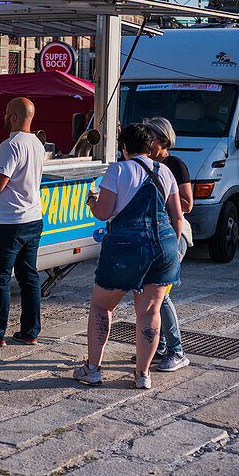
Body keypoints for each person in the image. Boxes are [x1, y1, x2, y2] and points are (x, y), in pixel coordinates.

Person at [75, 124, 183, 389]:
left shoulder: (117, 170)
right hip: (164, 247)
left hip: (125, 247)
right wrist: (176, 251)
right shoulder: (165, 171)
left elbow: (103, 212)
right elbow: (177, 216)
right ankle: (143, 374)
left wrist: (92, 201)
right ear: (149, 147)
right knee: (149, 311)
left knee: (102, 307)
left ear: (124, 147)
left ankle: (93, 370)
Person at [0, 97, 45, 347]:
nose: (3, 117)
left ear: (13, 117)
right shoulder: (36, 143)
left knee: (0, 279)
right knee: (29, 277)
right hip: (33, 220)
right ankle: (30, 331)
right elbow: (17, 171)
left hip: (7, 223)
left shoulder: (10, 145)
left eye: (5, 113)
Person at [142, 116, 192, 373]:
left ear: (162, 139)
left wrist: (162, 196)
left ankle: (177, 350)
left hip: (175, 233)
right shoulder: (143, 162)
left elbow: (186, 204)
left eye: (149, 137)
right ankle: (160, 345)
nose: (146, 141)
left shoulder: (174, 165)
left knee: (162, 295)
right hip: (152, 233)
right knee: (151, 294)